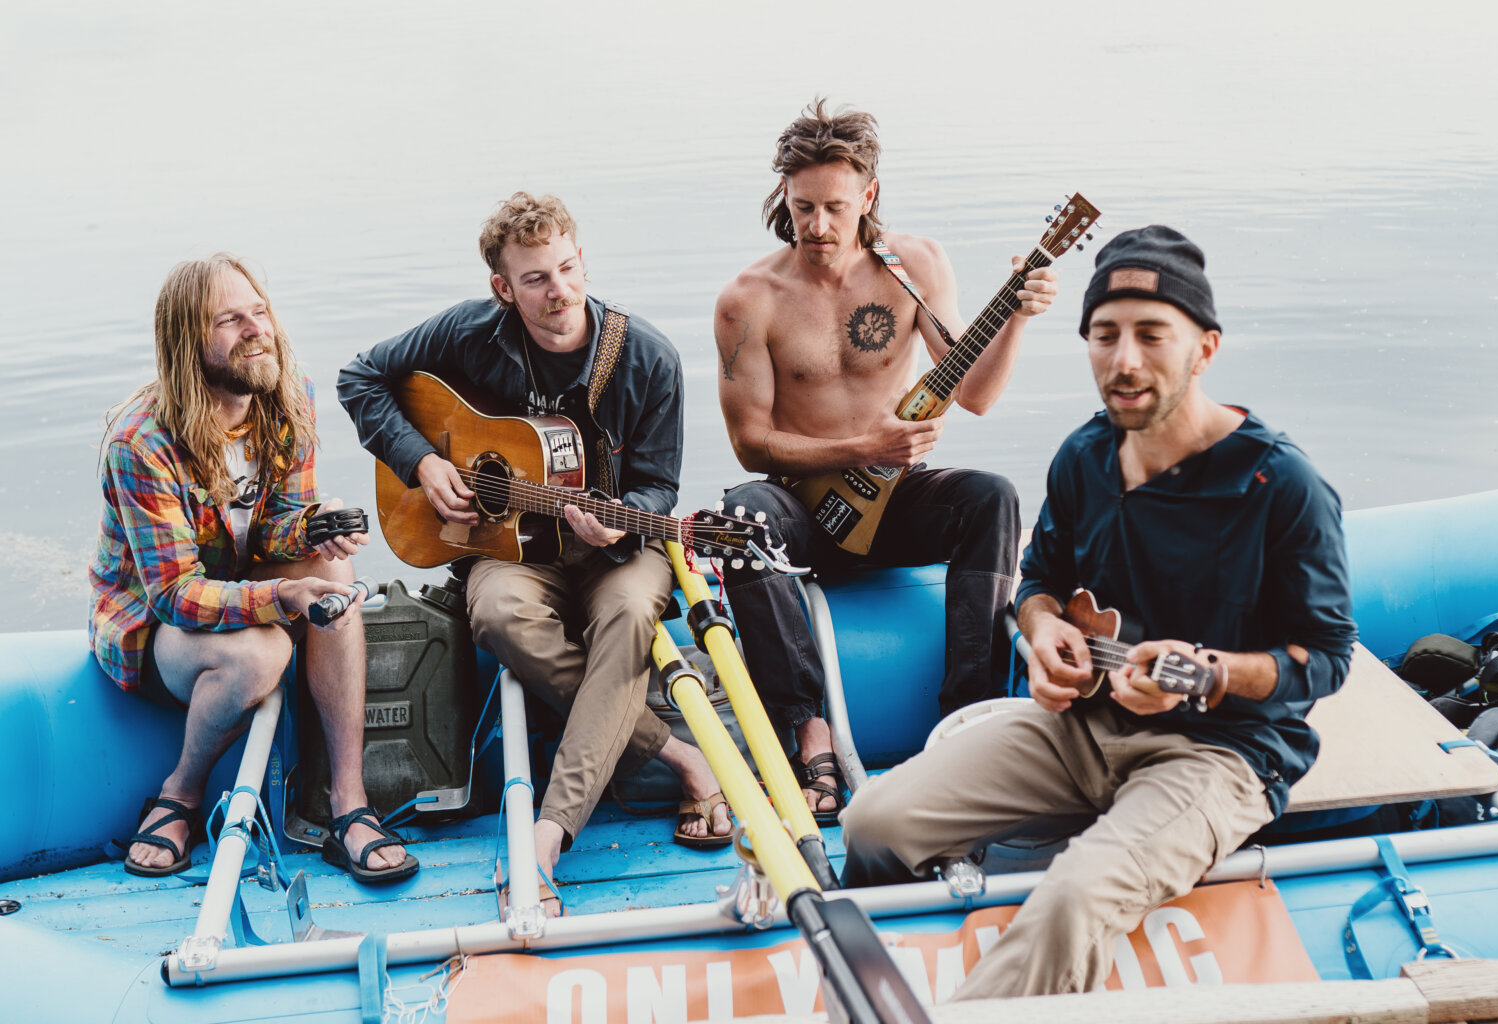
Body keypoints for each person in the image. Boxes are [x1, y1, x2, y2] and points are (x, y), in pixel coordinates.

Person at [839, 225, 1358, 997]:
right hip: (1082, 726)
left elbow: (1326, 659)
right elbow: (1038, 581)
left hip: (1218, 754)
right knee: (871, 822)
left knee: (1074, 902)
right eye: (1104, 335)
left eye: (1153, 335)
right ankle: (864, 981)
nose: (1125, 360)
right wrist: (1044, 633)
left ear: (1205, 348)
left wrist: (1206, 671)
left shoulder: (1281, 487)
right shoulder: (1084, 457)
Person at [337, 192, 733, 914]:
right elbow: (360, 377)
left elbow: (657, 488)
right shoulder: (467, 333)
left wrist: (622, 523)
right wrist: (423, 464)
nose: (559, 293)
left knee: (629, 619)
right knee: (495, 615)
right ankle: (679, 754)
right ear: (502, 288)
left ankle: (548, 834)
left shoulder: (647, 359)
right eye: (536, 280)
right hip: (506, 547)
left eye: (568, 268)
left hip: (618, 551)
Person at [713, 100, 1058, 821]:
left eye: (835, 207)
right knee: (741, 511)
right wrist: (859, 446)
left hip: (892, 499)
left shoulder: (914, 267)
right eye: (802, 207)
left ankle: (969, 724)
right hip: (802, 507)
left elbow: (979, 396)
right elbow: (750, 441)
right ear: (785, 198)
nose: (818, 226)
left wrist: (1019, 316)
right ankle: (809, 736)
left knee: (991, 496)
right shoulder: (750, 300)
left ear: (867, 196)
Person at [90, 254, 417, 884]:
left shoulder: (289, 398)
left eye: (259, 312)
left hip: (244, 583)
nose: (256, 329)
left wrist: (312, 528)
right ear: (189, 342)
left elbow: (274, 525)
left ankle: (347, 802)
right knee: (258, 656)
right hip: (157, 630)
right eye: (230, 320)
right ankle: (180, 793)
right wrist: (283, 596)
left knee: (334, 564)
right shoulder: (143, 444)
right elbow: (175, 595)